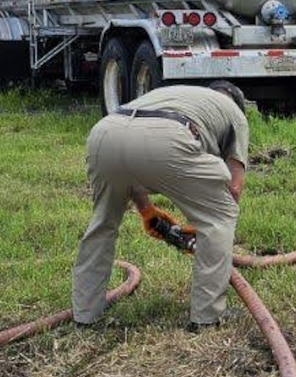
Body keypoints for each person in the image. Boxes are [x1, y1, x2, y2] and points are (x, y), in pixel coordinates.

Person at [71, 81, 250, 331]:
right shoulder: (235, 115)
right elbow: (233, 188)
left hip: (105, 133)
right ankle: (206, 318)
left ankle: (84, 315)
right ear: (239, 105)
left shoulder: (177, 94)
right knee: (219, 218)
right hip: (167, 136)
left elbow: (132, 152)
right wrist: (210, 237)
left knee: (103, 223)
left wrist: (146, 210)